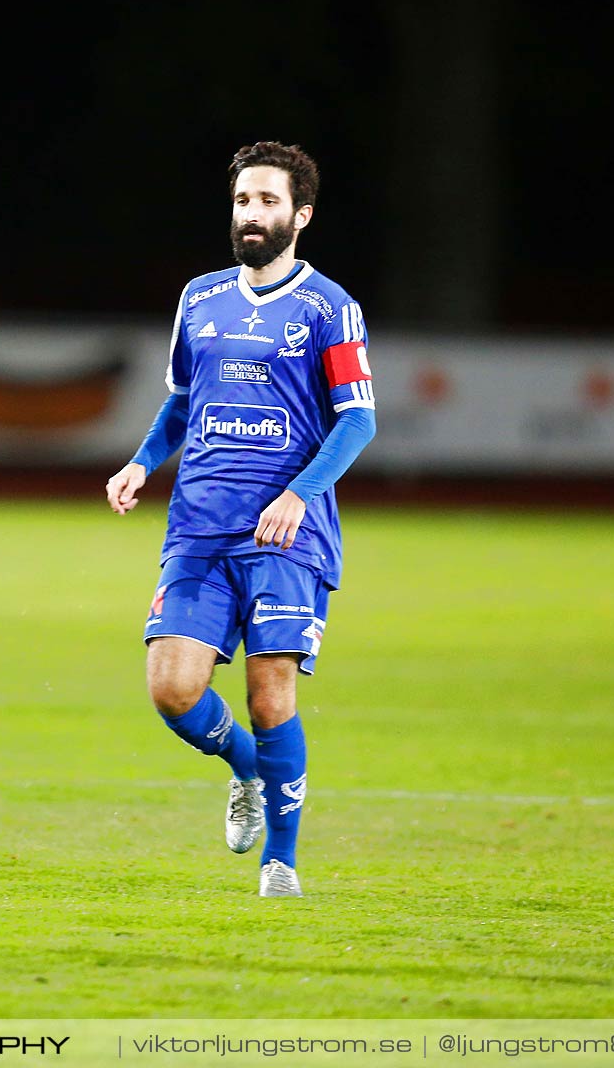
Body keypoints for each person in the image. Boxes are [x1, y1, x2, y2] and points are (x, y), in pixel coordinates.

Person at [105, 141, 377, 898]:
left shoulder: (329, 307)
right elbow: (182, 403)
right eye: (242, 202)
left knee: (270, 697)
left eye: (266, 202)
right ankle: (249, 771)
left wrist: (298, 494)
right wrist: (140, 461)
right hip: (198, 526)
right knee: (171, 688)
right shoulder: (200, 298)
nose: (251, 215)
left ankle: (279, 864)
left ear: (302, 213)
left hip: (283, 535)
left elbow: (357, 422)